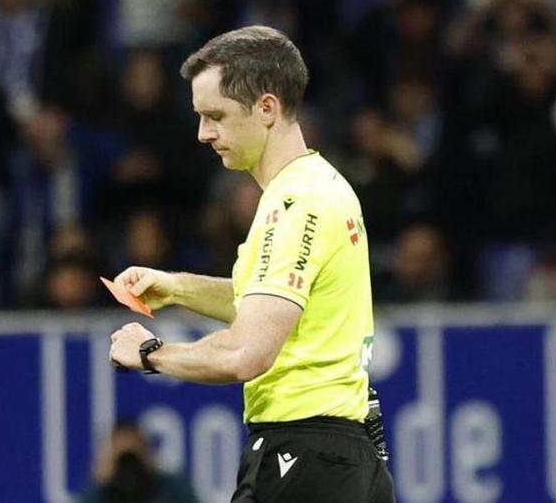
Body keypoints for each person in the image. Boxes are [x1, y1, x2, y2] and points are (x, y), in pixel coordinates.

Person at [106, 26, 395, 502]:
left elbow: (247, 353)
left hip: (304, 455)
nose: (203, 134)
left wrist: (150, 353)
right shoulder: (314, 187)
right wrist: (177, 288)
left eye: (215, 116)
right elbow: (267, 305)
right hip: (337, 454)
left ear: (266, 108)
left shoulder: (298, 203)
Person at [78, 421, 196, 503]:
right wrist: (101, 485)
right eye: (123, 459)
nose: (129, 467)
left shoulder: (174, 491)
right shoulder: (99, 494)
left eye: (133, 457)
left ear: (148, 455)